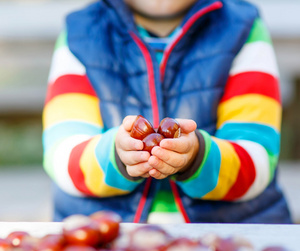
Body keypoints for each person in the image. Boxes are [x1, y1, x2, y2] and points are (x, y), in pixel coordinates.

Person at [43, 0, 293, 224]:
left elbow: (256, 157)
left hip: (229, 233)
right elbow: (63, 154)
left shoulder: (243, 29)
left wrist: (197, 156)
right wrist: (116, 156)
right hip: (107, 241)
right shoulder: (80, 33)